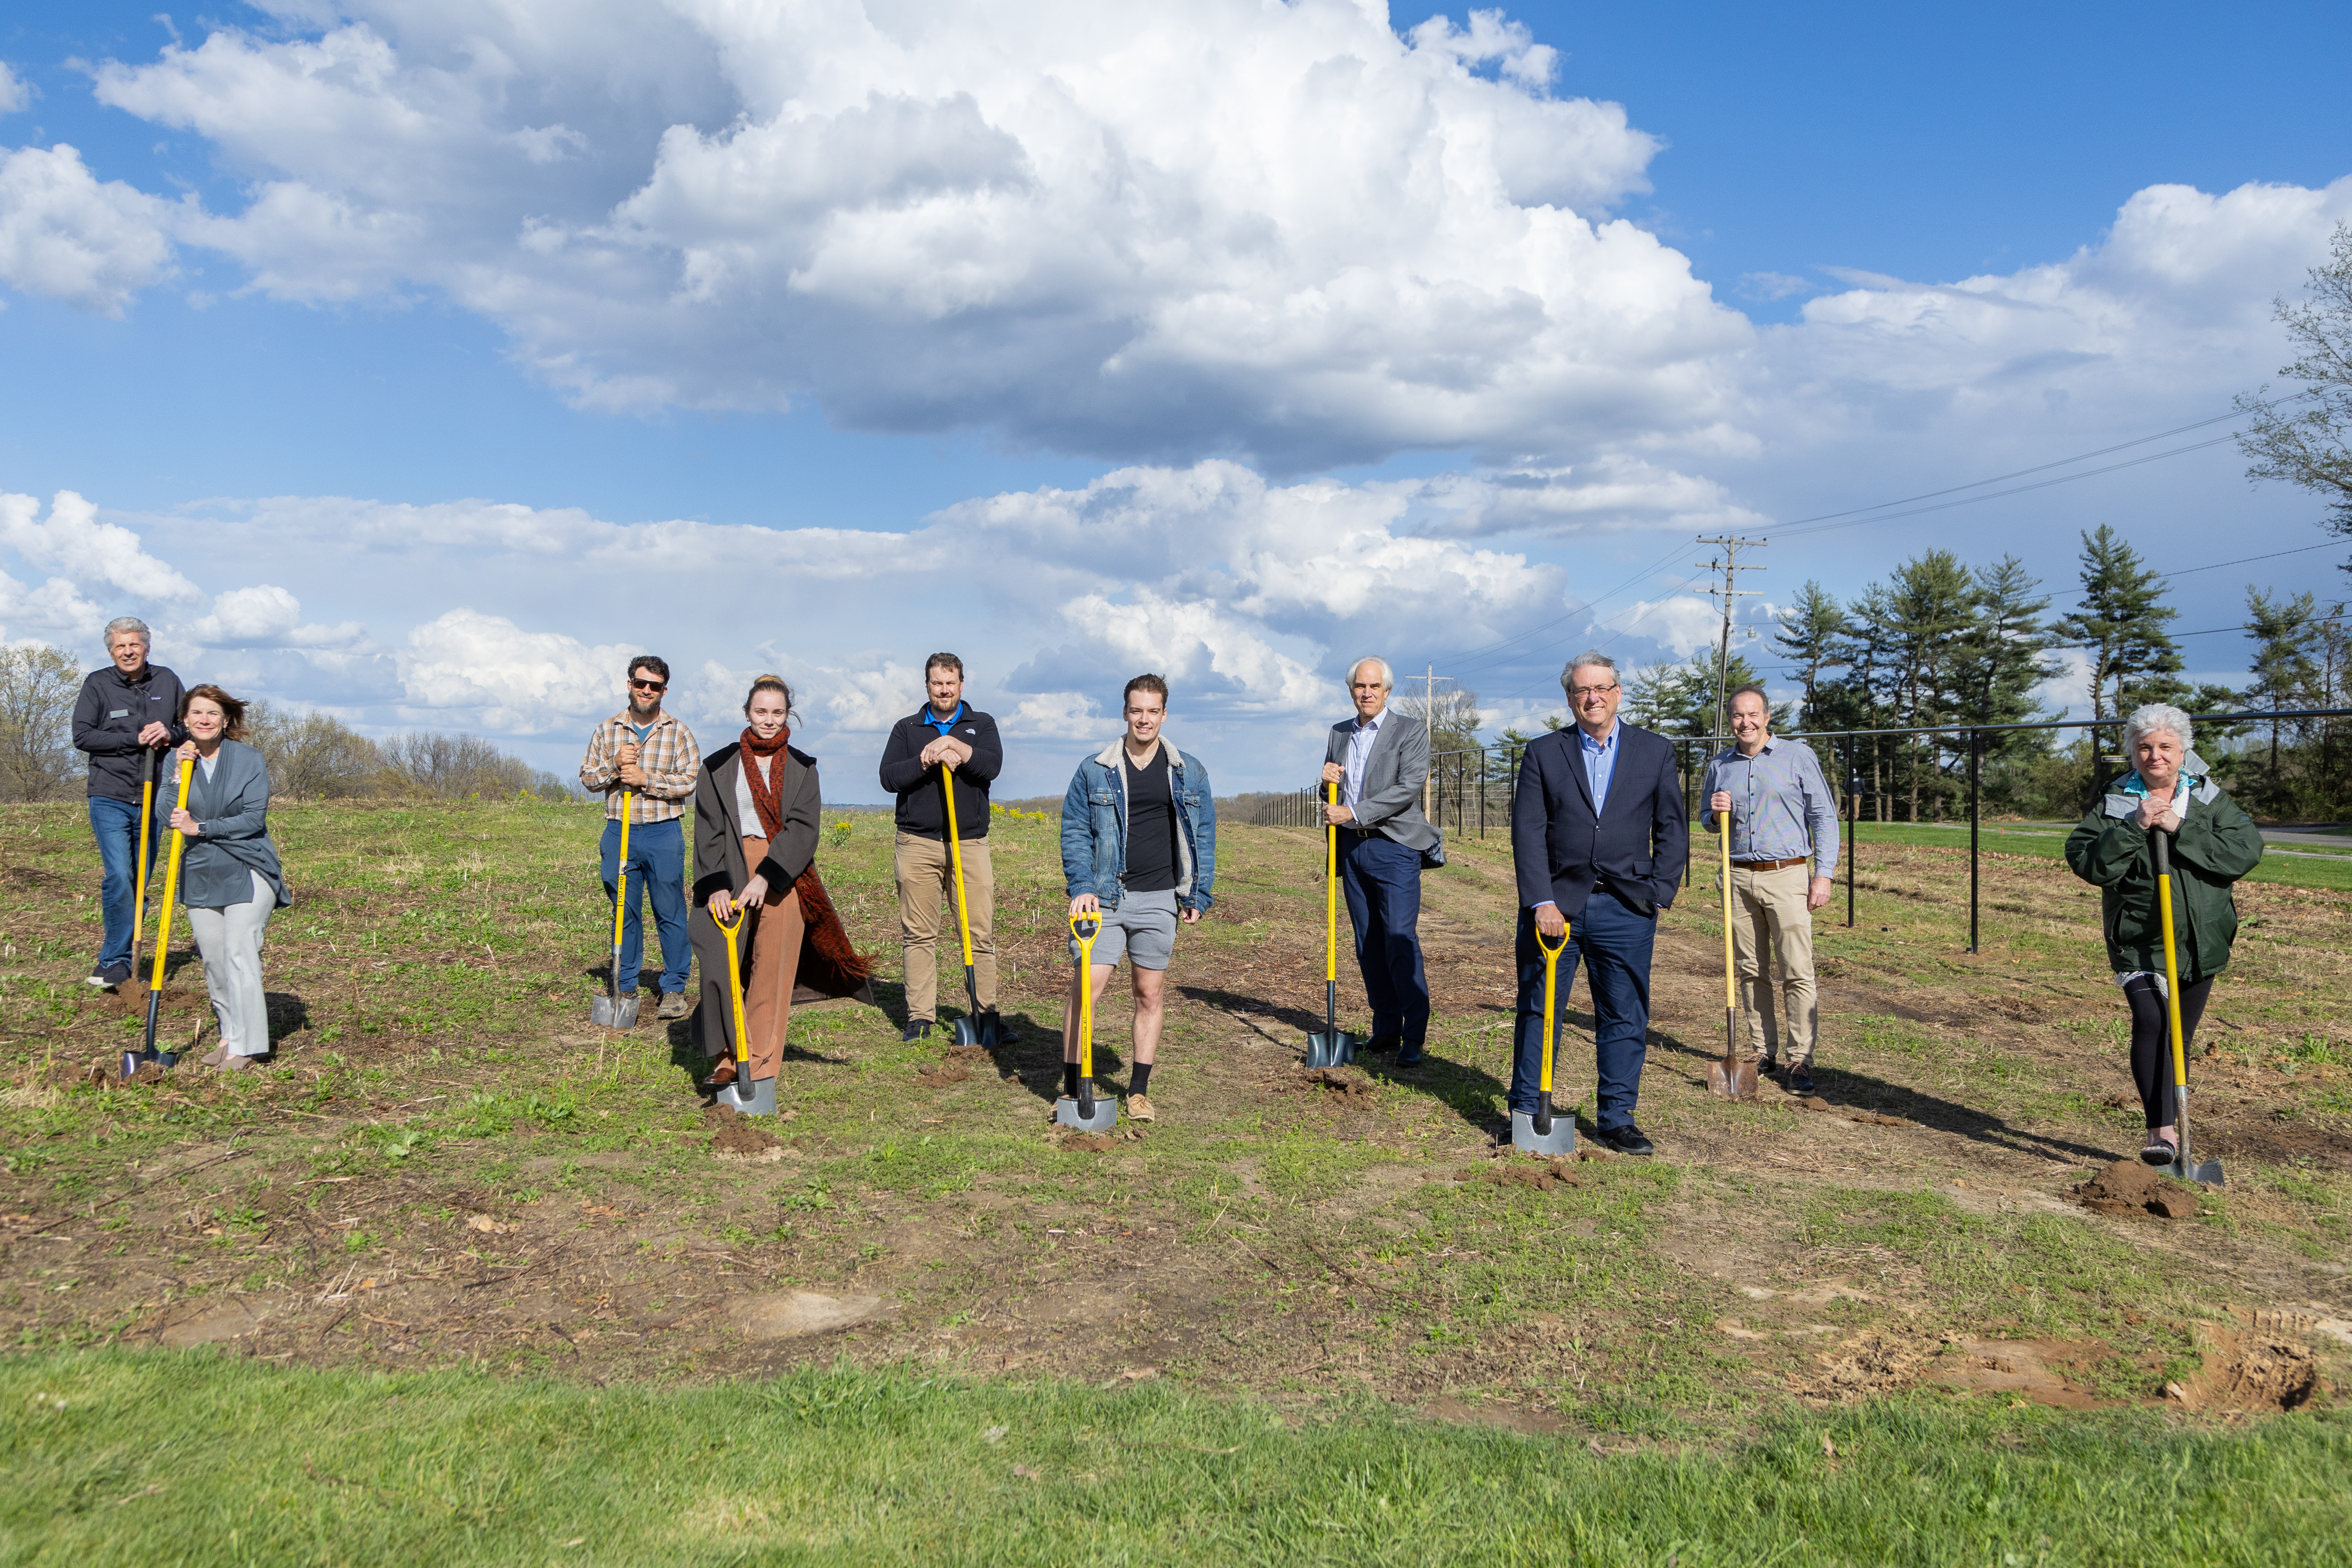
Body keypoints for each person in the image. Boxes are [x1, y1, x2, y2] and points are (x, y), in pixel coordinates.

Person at [2064, 702, 2263, 1166]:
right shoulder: (2116, 802)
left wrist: (2179, 827)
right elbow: (2087, 861)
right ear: (2132, 754)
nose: (2156, 756)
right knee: (2153, 1022)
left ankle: (2177, 1134)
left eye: (2166, 747)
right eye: (2145, 748)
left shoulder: (2208, 800)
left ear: (2182, 751)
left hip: (2201, 940)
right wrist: (2135, 826)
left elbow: (2245, 852)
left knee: (2181, 1035)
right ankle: (2162, 1133)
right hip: (2140, 939)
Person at [1509, 651, 1688, 1156]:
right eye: (1582, 691)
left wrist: (1660, 890)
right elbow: (1527, 833)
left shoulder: (1653, 752)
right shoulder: (1545, 752)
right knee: (1540, 1009)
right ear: (1570, 698)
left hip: (1627, 907)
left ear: (1618, 693)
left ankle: (1616, 1117)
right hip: (1557, 909)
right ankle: (1526, 1112)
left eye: (1602, 689)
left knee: (1624, 1014)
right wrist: (1541, 900)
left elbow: (1671, 827)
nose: (1593, 698)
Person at [688, 675, 874, 1097]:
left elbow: (803, 831)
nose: (768, 721)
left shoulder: (803, 768)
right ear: (747, 712)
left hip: (782, 871)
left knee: (772, 966)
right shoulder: (718, 766)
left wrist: (766, 878)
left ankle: (758, 1064)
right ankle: (724, 1056)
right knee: (720, 957)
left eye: (777, 712)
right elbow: (709, 831)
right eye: (760, 712)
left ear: (788, 714)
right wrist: (717, 886)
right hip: (729, 868)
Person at [1058, 674, 1217, 1123]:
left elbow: (1203, 835)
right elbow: (1075, 831)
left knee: (1150, 992)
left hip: (1160, 897)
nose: (1144, 719)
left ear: (1164, 714)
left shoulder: (1190, 770)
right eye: (1136, 710)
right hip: (1104, 898)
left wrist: (1197, 893)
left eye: (1152, 711)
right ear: (1125, 713)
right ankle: (1072, 1092)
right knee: (1087, 988)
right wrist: (1083, 886)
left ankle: (1139, 1092)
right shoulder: (1095, 769)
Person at [1702, 684, 1840, 1095]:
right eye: (1737, 716)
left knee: (1797, 969)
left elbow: (1824, 816)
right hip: (1739, 875)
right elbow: (1707, 822)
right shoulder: (1720, 765)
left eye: (1753, 715)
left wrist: (1824, 874)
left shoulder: (1797, 756)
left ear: (1767, 717)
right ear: (1730, 720)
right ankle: (1764, 1051)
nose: (1746, 723)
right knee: (1749, 970)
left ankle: (1800, 1059)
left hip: (1788, 874)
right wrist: (1714, 813)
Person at [876, 652, 1010, 1043]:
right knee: (919, 934)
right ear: (927, 686)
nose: (944, 690)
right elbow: (888, 778)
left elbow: (991, 766)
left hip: (969, 843)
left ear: (962, 684)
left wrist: (956, 747)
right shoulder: (908, 728)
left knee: (978, 933)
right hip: (918, 844)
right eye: (937, 683)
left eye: (951, 683)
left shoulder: (981, 724)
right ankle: (921, 1017)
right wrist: (925, 758)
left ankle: (985, 1016)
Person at [1319, 656, 1444, 1066]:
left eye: (1374, 686)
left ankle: (1414, 1034)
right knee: (1368, 943)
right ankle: (1386, 1028)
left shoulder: (1409, 731)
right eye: (1360, 686)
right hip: (1352, 849)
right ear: (1351, 690)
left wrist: (1353, 813)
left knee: (1398, 939)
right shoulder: (1340, 733)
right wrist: (1327, 786)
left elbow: (1407, 789)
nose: (1367, 693)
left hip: (1395, 848)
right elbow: (1334, 796)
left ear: (1387, 691)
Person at [166, 685, 292, 1071]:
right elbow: (167, 817)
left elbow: (253, 818)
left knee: (239, 952)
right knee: (215, 961)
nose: (204, 720)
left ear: (226, 721)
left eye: (213, 714)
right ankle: (229, 1032)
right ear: (185, 720)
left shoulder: (248, 760)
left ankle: (249, 1045)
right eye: (197, 713)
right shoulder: (179, 760)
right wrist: (175, 777)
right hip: (202, 871)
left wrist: (201, 827)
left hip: (249, 865)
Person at [577, 656, 699, 1022]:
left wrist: (646, 780)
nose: (647, 690)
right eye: (641, 683)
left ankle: (674, 987)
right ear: (629, 684)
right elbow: (588, 778)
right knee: (623, 912)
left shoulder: (678, 732)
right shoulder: (606, 731)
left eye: (655, 686)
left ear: (664, 690)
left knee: (670, 910)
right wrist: (615, 766)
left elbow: (691, 781)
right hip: (620, 830)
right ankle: (624, 984)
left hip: (663, 832)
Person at [71, 616, 187, 988]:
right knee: (120, 876)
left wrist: (169, 731)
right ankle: (114, 961)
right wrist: (132, 740)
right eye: (120, 646)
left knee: (139, 880)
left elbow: (190, 726)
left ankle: (123, 956)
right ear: (111, 651)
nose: (128, 652)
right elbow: (82, 735)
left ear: (146, 648)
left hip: (155, 796)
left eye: (134, 645)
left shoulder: (167, 681)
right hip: (110, 794)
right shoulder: (97, 684)